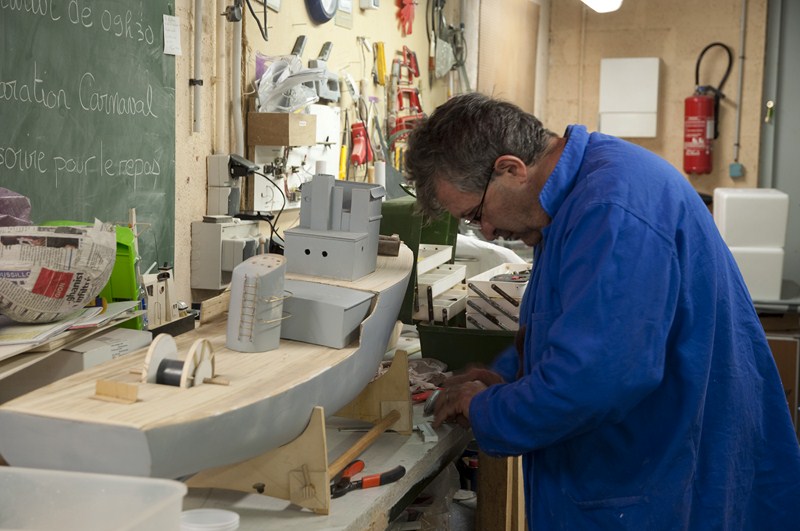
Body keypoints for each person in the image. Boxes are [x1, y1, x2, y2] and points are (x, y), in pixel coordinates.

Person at [405, 93, 800, 529]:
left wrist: (487, 410)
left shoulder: (611, 209)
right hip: (640, 469)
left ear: (511, 169)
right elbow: (571, 329)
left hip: (666, 488)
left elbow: (593, 380)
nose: (487, 231)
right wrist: (508, 378)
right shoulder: (573, 198)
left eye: (477, 213)